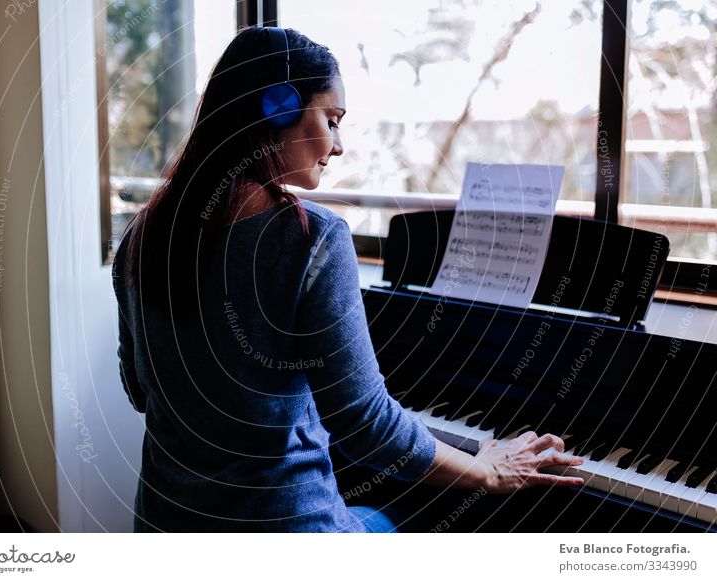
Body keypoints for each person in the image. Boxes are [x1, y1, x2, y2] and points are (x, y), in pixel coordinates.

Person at [111, 26, 584, 533]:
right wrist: (486, 469)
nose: (338, 146)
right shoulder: (312, 238)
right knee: (409, 517)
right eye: (332, 120)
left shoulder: (145, 231)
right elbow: (366, 426)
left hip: (165, 526)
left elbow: (140, 390)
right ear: (279, 109)